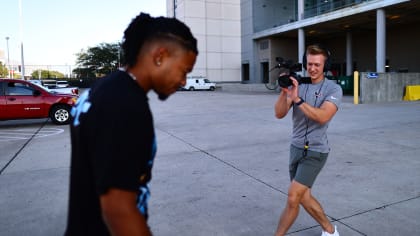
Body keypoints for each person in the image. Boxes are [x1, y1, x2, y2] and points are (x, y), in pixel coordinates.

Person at [64, 12, 198, 236]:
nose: (183, 81)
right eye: (184, 71)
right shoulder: (126, 104)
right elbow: (118, 210)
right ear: (160, 56)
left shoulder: (101, 89)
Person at [273, 44, 342, 236]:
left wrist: (298, 100)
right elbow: (279, 114)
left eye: (317, 65)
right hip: (295, 148)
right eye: (309, 64)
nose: (312, 68)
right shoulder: (298, 85)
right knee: (303, 197)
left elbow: (322, 116)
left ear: (325, 66)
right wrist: (285, 91)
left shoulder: (333, 89)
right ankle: (329, 230)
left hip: (316, 151)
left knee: (293, 196)